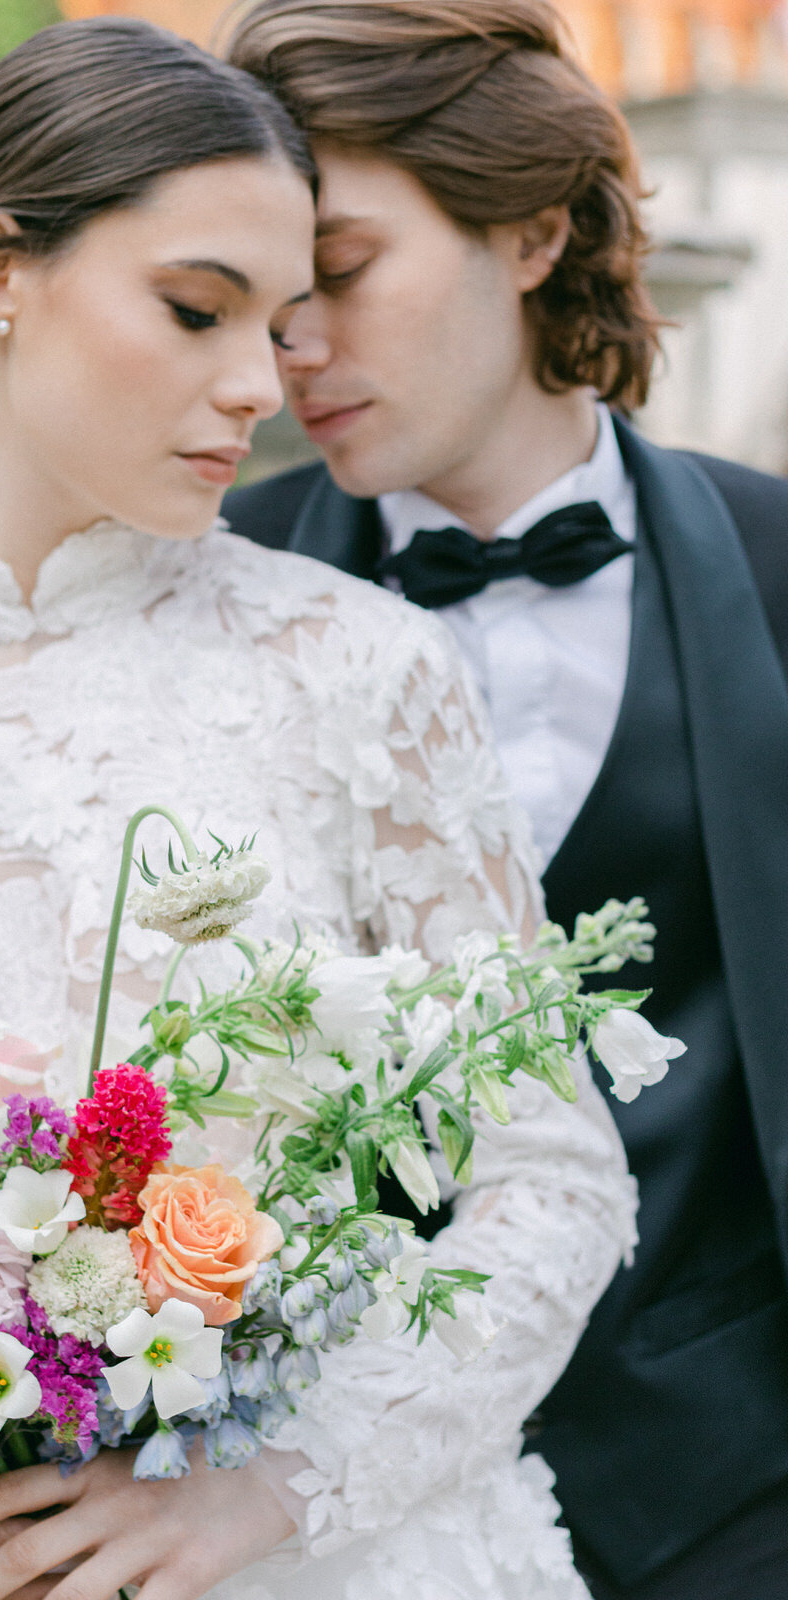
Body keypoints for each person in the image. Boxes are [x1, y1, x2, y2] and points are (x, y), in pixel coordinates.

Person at [0, 17, 636, 1600]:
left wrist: (257, 1492)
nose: (262, 383)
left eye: (287, 322)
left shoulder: (366, 670)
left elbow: (554, 1177)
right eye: (197, 310)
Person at [221, 3, 788, 1597]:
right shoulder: (201, 598)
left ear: (531, 230)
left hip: (734, 1485)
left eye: (338, 273)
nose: (290, 351)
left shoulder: (779, 565)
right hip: (318, 1500)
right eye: (261, 302)